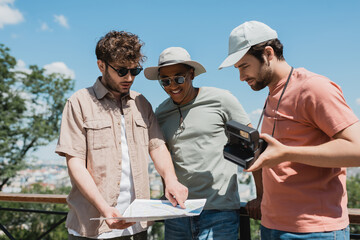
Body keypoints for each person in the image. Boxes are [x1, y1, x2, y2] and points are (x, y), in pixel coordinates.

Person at [219, 20, 360, 239]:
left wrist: (288, 153)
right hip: (272, 225)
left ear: (268, 53)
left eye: (244, 66)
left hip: (314, 230)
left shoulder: (314, 88)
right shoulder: (272, 93)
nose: (241, 77)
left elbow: (357, 149)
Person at [55, 31, 188, 240]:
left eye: (135, 70)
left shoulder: (141, 103)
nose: (129, 78)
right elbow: (75, 163)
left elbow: (157, 146)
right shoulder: (79, 102)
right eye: (122, 71)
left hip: (137, 227)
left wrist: (171, 180)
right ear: (101, 65)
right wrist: (104, 208)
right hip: (92, 227)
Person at [144, 47, 253, 240]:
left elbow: (253, 145)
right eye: (165, 81)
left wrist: (260, 196)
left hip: (220, 211)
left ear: (191, 74)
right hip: (177, 211)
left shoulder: (221, 100)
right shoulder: (160, 113)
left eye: (178, 79)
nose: (172, 86)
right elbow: (163, 156)